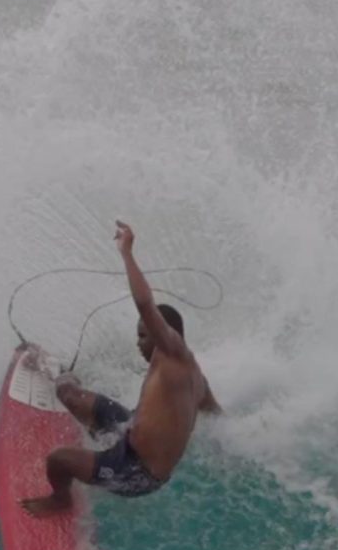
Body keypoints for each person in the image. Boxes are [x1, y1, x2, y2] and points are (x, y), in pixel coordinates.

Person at [21, 221, 220, 517]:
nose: (138, 343)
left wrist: (126, 252)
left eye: (143, 335)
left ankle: (62, 500)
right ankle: (56, 371)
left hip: (136, 473)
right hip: (130, 429)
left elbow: (143, 302)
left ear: (164, 333)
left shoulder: (171, 350)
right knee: (69, 394)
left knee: (58, 460)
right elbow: (215, 414)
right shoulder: (195, 379)